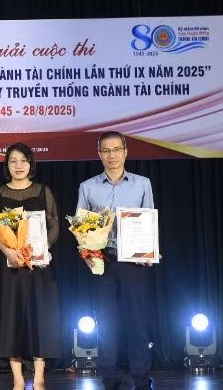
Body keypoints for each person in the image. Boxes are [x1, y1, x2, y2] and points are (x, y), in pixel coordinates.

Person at [0, 143, 61, 390]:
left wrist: (43, 249)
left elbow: (53, 223)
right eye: (13, 161)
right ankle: (17, 378)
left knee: (39, 318)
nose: (18, 165)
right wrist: (8, 251)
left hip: (38, 266)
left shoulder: (43, 191)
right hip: (9, 267)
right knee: (11, 319)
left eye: (23, 160)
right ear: (7, 165)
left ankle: (39, 378)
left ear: (31, 163)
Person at [76, 131, 157, 390]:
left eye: (116, 150)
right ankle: (109, 380)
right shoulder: (87, 187)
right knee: (106, 326)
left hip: (135, 263)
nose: (112, 155)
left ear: (125, 152)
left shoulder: (142, 184)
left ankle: (142, 380)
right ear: (99, 154)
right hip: (104, 262)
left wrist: (150, 250)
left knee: (138, 325)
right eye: (106, 151)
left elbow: (149, 221)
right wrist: (87, 254)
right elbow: (82, 231)